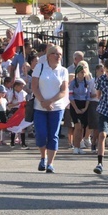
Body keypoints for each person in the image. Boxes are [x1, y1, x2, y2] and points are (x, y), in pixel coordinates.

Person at [32, 45, 69, 173]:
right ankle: (43, 156)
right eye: (56, 54)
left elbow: (63, 91)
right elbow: (34, 87)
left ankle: (50, 163)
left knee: (53, 135)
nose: (58, 56)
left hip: (57, 108)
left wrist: (50, 101)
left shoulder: (63, 71)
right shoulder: (40, 67)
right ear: (49, 55)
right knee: (41, 134)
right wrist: (43, 101)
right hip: (39, 107)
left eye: (60, 54)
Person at [69, 63, 93, 154]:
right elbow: (71, 97)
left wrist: (86, 107)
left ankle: (80, 146)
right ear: (77, 73)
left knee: (82, 127)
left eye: (84, 72)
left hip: (84, 105)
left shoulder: (86, 83)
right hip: (75, 104)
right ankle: (76, 146)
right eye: (81, 72)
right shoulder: (73, 83)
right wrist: (76, 108)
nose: (82, 74)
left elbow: (88, 96)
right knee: (77, 126)